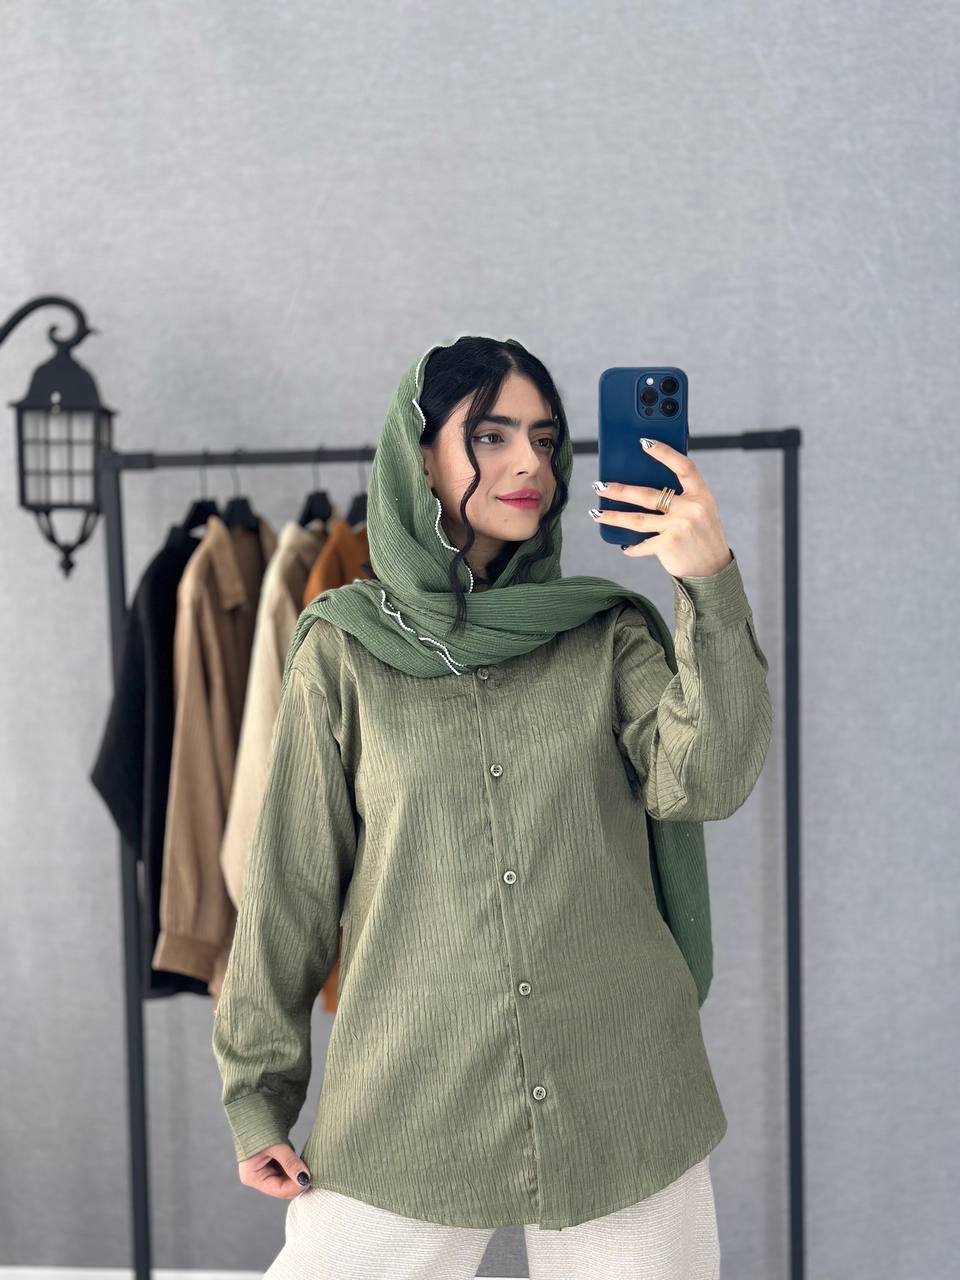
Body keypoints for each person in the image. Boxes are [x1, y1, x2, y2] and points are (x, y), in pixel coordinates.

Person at [212, 333, 773, 1278]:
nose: (530, 465)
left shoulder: (606, 635)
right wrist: (256, 1095)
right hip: (412, 1093)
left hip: (623, 1093)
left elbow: (707, 780)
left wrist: (708, 586)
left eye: (546, 440)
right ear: (420, 457)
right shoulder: (342, 654)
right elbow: (290, 889)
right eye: (492, 435)